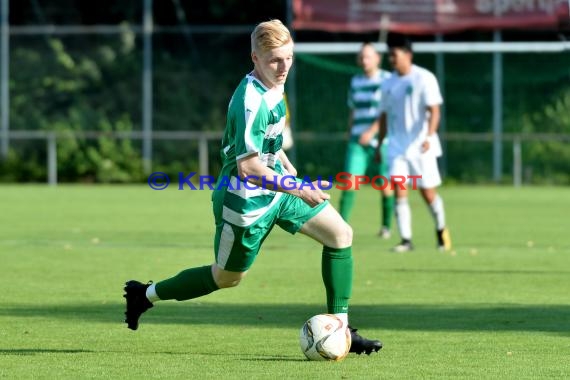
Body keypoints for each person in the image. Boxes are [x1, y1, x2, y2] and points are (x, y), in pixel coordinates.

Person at [124, 20, 382, 356]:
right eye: (275, 59)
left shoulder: (276, 83)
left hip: (278, 191)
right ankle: (144, 295)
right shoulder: (249, 100)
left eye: (288, 57)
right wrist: (299, 189)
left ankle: (341, 326)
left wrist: (289, 170)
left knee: (340, 234)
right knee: (226, 278)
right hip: (244, 205)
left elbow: (269, 142)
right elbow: (248, 167)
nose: (284, 66)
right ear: (254, 59)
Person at [378, 34, 452, 252]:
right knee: (400, 190)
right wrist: (379, 145)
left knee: (427, 193)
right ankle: (406, 240)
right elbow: (383, 116)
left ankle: (441, 230)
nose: (391, 58)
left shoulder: (424, 78)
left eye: (395, 54)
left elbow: (434, 111)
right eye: (389, 54)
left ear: (407, 54)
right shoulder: (388, 83)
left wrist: (429, 136)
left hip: (421, 145)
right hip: (397, 147)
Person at [339, 42, 395, 239]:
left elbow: (387, 111)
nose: (364, 60)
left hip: (382, 140)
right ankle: (340, 227)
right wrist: (350, 132)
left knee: (385, 184)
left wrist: (372, 131)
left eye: (368, 57)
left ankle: (386, 227)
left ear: (377, 59)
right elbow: (353, 110)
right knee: (349, 182)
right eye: (361, 57)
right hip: (357, 141)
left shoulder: (388, 80)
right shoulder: (356, 81)